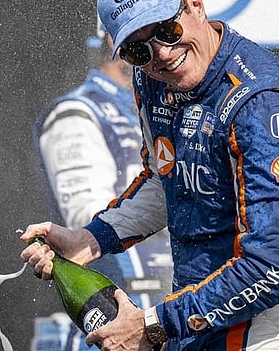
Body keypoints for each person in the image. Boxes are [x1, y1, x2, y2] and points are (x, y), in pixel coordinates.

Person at [21, 0, 279, 350]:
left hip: (260, 335)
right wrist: (89, 240)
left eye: (168, 30)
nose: (162, 54)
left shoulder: (262, 104)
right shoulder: (152, 77)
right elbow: (167, 182)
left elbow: (273, 268)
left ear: (195, 5)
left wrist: (151, 325)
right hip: (190, 322)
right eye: (137, 49)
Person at [31, 33, 173, 351]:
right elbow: (88, 217)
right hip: (107, 319)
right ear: (113, 43)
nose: (161, 52)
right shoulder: (75, 111)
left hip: (160, 318)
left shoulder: (155, 109)